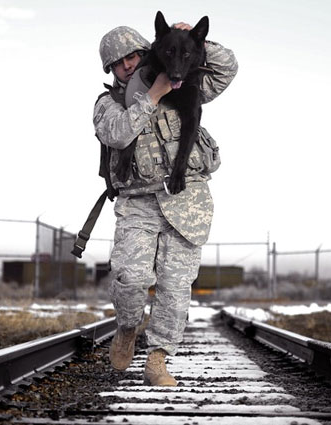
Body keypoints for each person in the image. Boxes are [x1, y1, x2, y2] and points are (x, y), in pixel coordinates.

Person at [94, 22, 237, 386]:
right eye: (118, 62)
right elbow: (117, 133)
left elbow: (227, 66)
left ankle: (158, 359)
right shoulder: (107, 104)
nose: (127, 65)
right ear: (110, 69)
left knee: (175, 287)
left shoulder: (188, 82)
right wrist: (152, 96)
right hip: (137, 203)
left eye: (133, 56)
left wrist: (192, 38)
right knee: (130, 277)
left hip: (186, 201)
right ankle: (127, 328)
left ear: (147, 53)